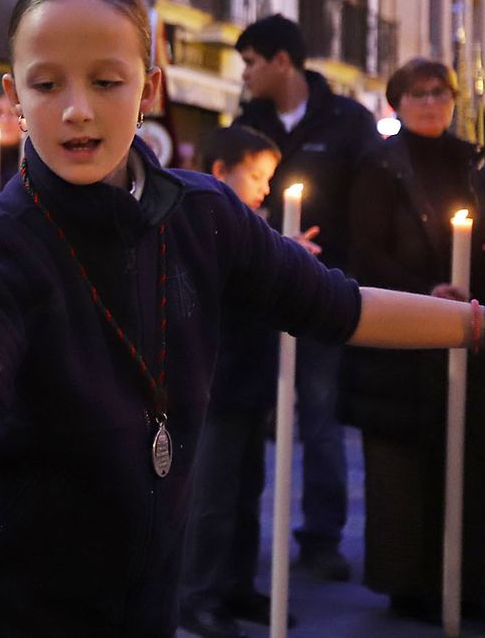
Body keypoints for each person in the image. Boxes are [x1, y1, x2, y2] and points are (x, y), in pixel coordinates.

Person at [0, 0, 485, 638]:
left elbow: (340, 305)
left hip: (142, 605)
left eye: (106, 81)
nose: (76, 110)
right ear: (14, 96)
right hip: (4, 612)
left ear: (149, 87)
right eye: (46, 84)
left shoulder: (204, 213)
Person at [343, 58, 485, 623]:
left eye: (439, 92)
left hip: (467, 329)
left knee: (471, 459)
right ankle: (410, 584)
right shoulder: (378, 165)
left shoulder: (470, 162)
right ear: (397, 102)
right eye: (416, 93)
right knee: (403, 466)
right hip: (404, 334)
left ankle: (465, 585)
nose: (429, 102)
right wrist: (425, 293)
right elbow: (366, 251)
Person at [232, 12, 376, 581]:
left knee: (320, 414)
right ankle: (237, 543)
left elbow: (364, 209)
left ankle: (322, 538)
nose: (245, 74)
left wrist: (344, 280)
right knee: (244, 412)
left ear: (282, 61)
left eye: (251, 62)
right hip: (259, 292)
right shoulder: (249, 121)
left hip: (322, 292)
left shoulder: (347, 121)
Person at [179, 125, 297, 638]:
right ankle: (197, 594)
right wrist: (280, 263)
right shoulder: (197, 223)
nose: (266, 188)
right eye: (257, 176)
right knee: (213, 497)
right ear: (220, 172)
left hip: (250, 379)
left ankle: (237, 584)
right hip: (214, 382)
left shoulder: (254, 228)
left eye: (270, 177)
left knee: (248, 492)